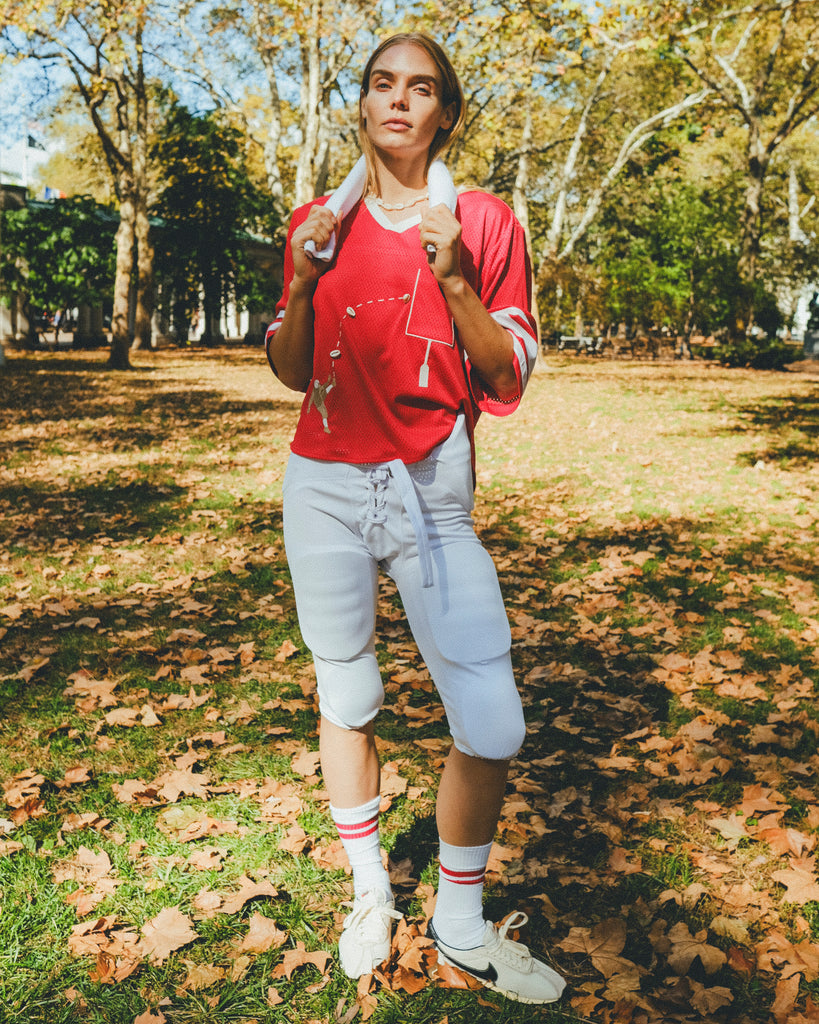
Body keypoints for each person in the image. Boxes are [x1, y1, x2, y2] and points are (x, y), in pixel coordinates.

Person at [265, 31, 565, 1006]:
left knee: (490, 718)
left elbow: (508, 369)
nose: (400, 100)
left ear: (448, 111)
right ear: (361, 103)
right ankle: (368, 895)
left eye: (422, 87)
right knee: (346, 695)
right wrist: (305, 282)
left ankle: (461, 922)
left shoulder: (482, 221)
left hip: (432, 492)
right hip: (324, 485)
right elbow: (289, 367)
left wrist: (457, 279)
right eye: (383, 84)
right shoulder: (319, 220)